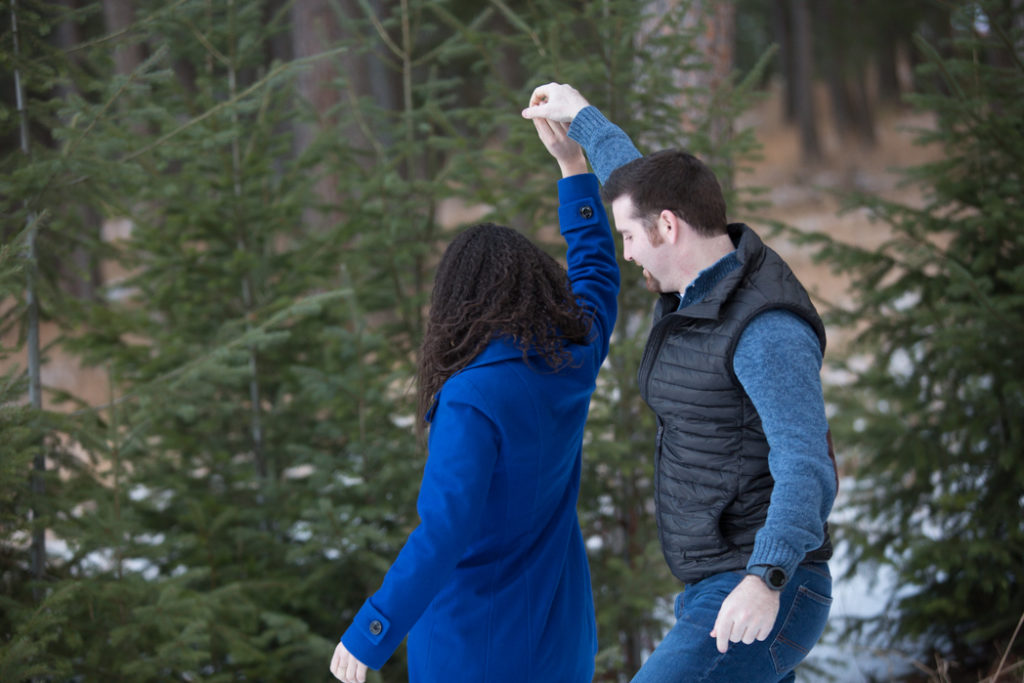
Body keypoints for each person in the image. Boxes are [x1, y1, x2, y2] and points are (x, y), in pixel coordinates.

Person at [522, 83, 838, 683]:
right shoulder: (700, 287)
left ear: (668, 228)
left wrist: (765, 579)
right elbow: (637, 183)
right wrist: (582, 123)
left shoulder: (764, 328)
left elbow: (806, 465)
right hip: (718, 583)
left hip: (766, 587)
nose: (628, 253)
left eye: (630, 239)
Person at [328, 116, 620, 682]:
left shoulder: (470, 399)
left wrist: (375, 628)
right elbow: (596, 277)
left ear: (455, 304)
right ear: (537, 285)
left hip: (472, 649)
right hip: (562, 642)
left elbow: (444, 531)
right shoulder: (572, 358)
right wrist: (573, 169)